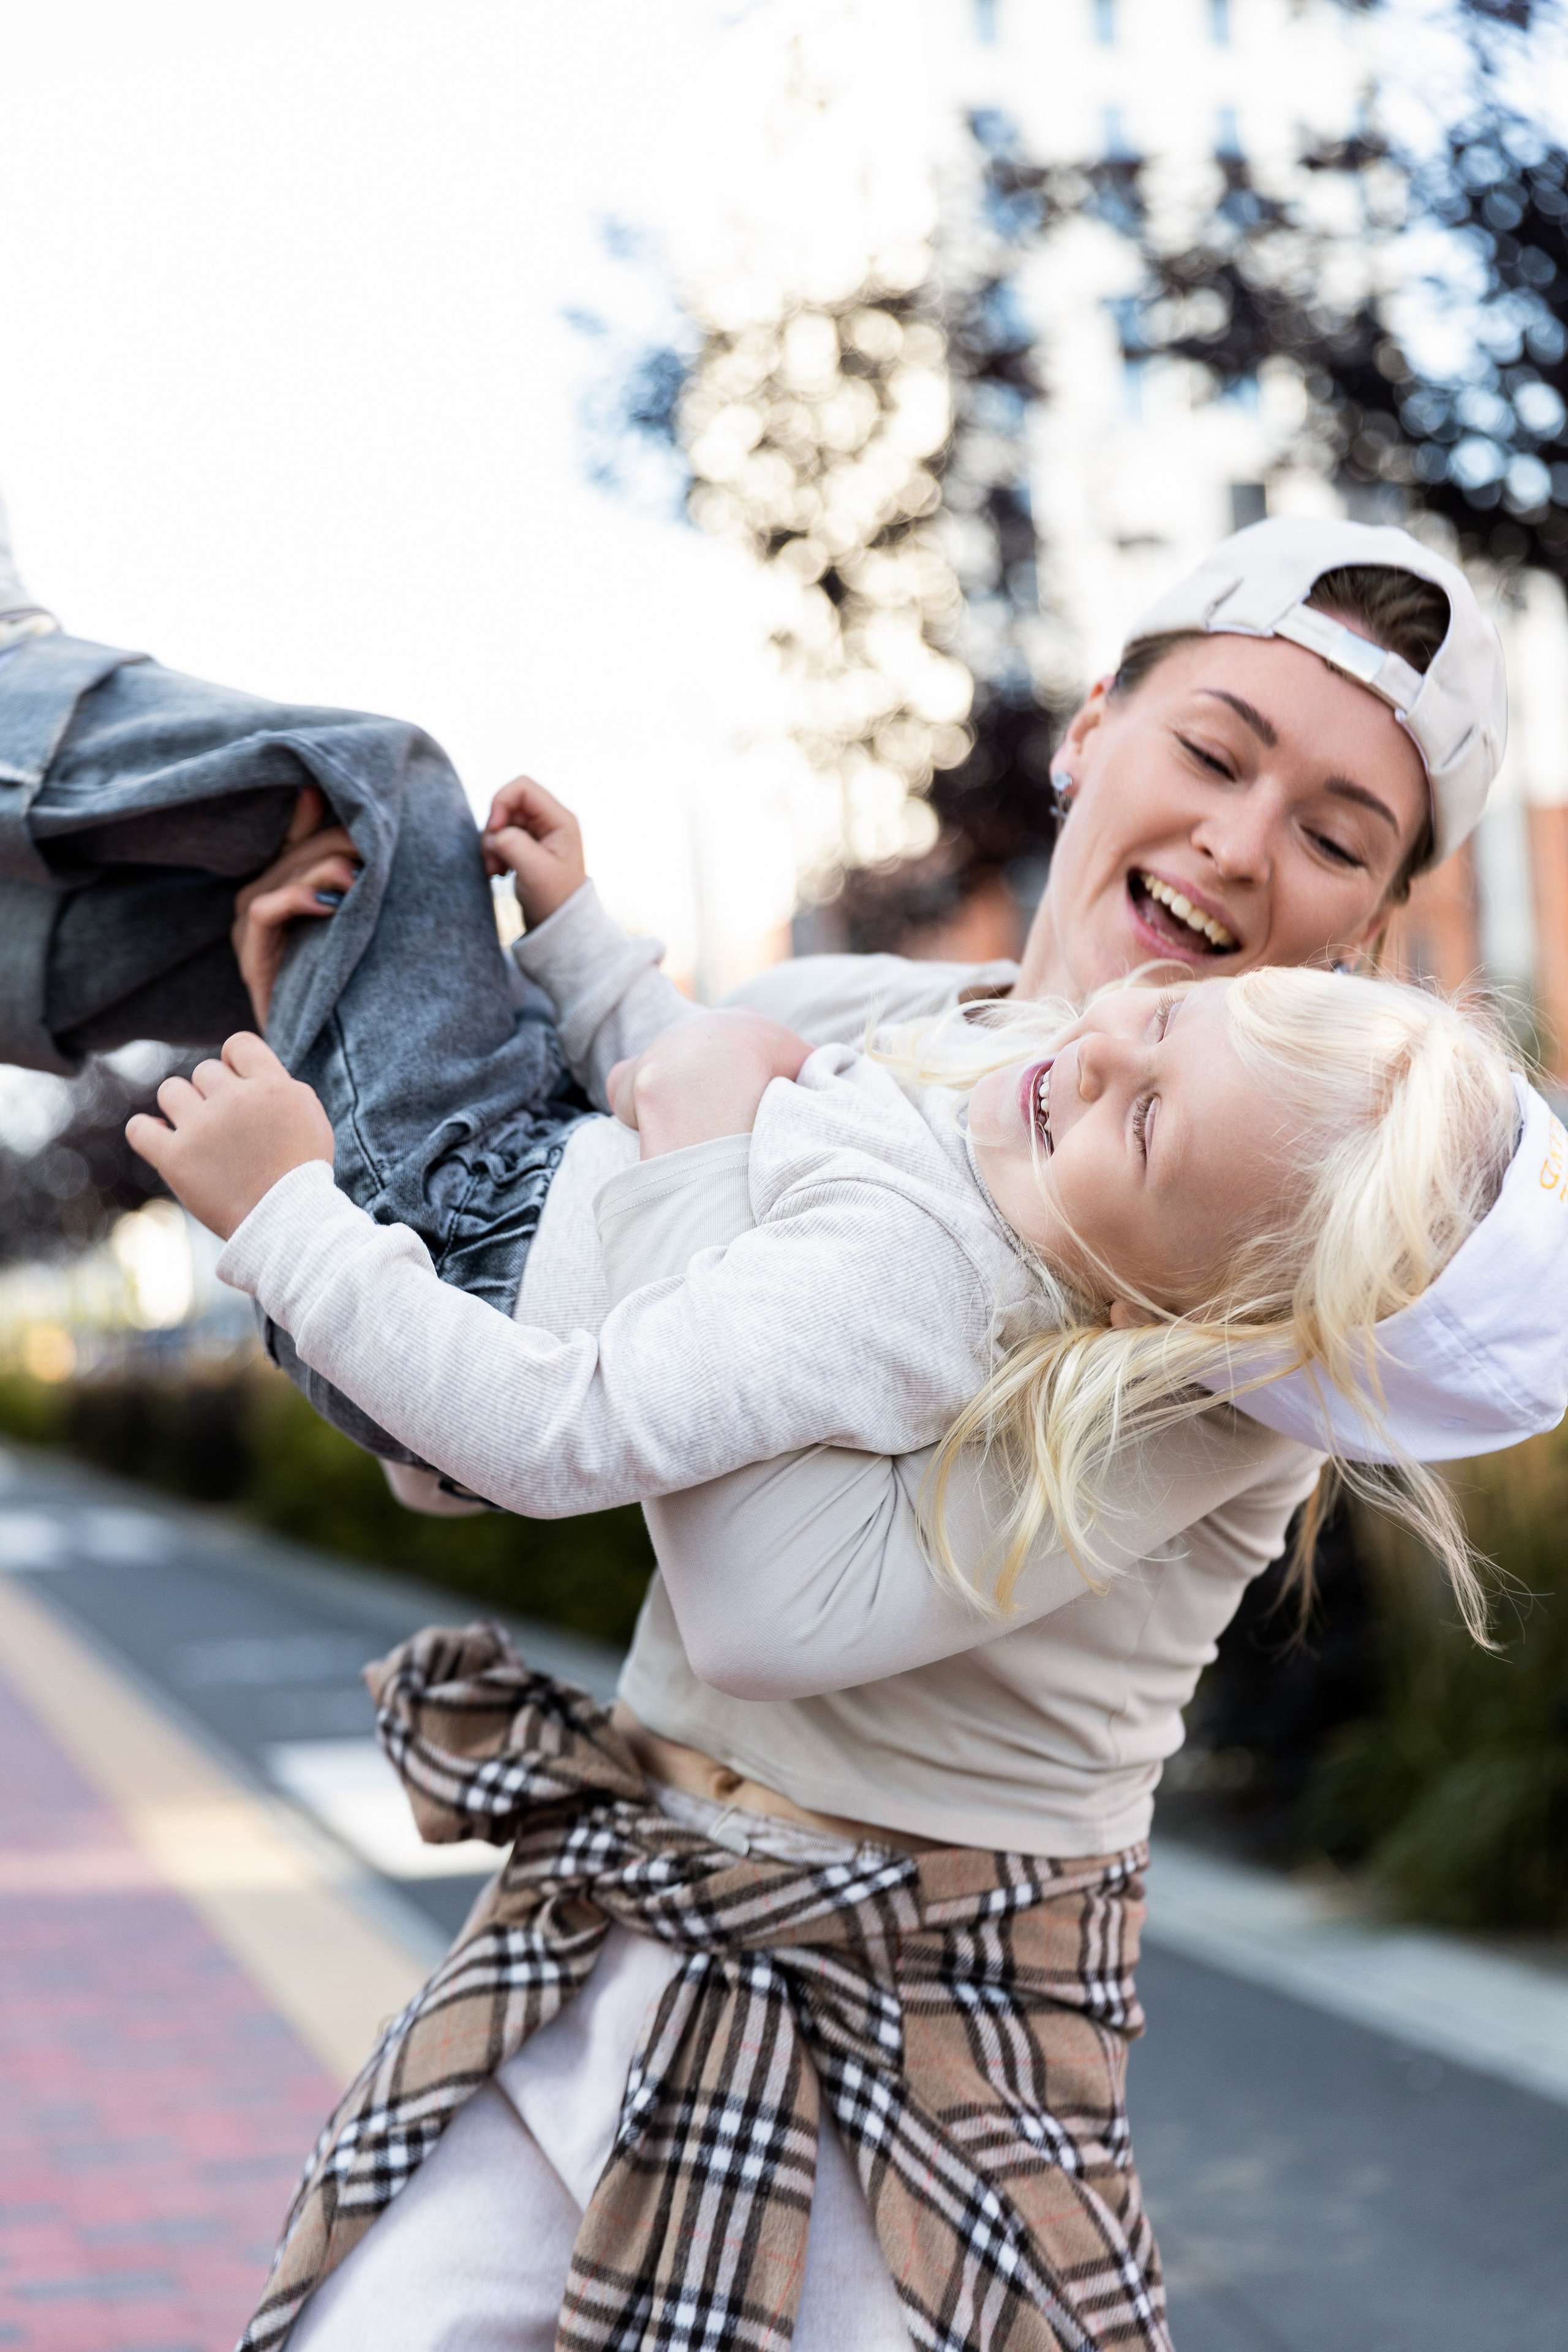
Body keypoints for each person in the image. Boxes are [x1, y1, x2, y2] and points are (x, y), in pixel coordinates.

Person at [2, 503, 1551, 2352]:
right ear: (1090, 731)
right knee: (328, 835)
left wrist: (673, 1157)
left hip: (895, 2029)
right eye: (1216, 752)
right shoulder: (856, 1023)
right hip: (621, 1907)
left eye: (1332, 834)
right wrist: (335, 1054)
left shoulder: (1228, 1328)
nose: (1239, 840)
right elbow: (493, 1383)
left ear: (1369, 932)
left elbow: (748, 1599)